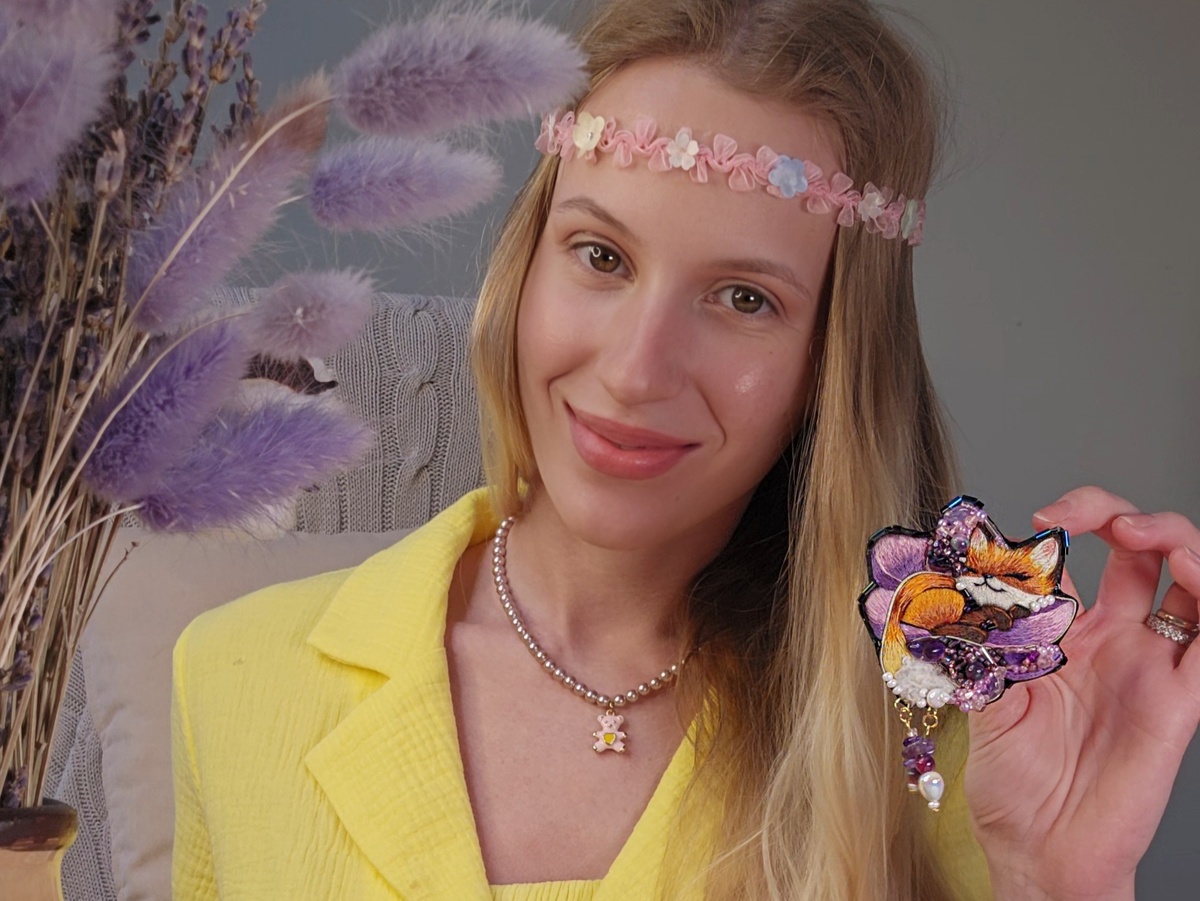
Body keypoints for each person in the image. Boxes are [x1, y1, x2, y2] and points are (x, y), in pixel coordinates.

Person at [170, 0, 1200, 898]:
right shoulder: (234, 676)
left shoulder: (946, 748)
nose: (635, 370)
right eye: (601, 255)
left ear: (832, 362)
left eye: (744, 298)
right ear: (527, 265)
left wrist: (1055, 881)